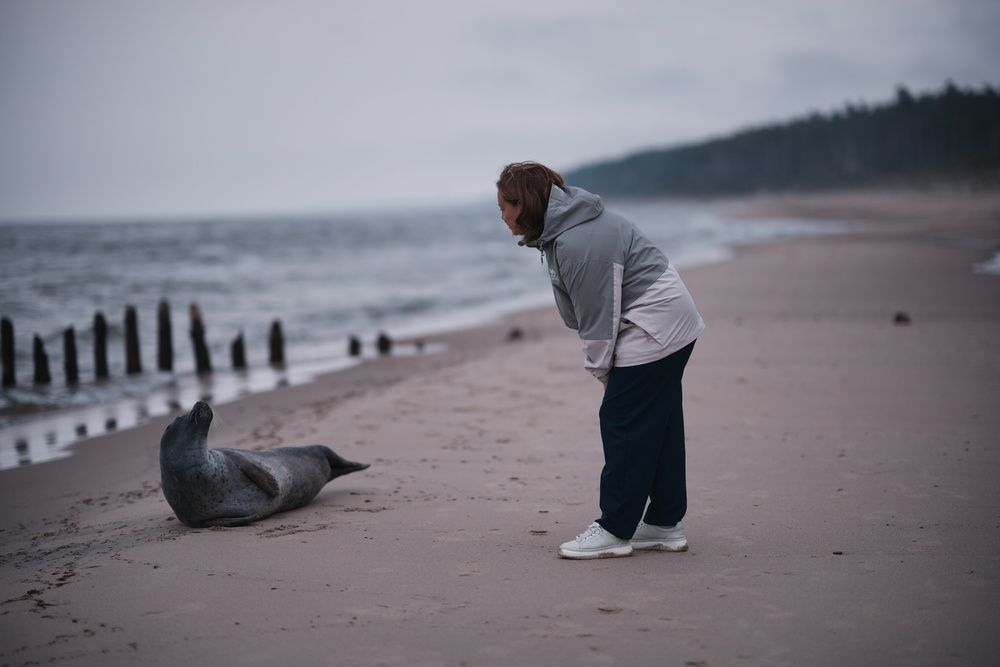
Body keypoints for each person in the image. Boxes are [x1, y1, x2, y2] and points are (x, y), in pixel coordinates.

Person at [496, 161, 704, 560]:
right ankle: (663, 522)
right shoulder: (569, 227)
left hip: (653, 324)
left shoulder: (577, 243)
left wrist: (603, 372)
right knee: (657, 422)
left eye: (505, 207)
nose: (503, 217)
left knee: (622, 420)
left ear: (524, 204)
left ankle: (615, 529)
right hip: (669, 321)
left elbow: (598, 321)